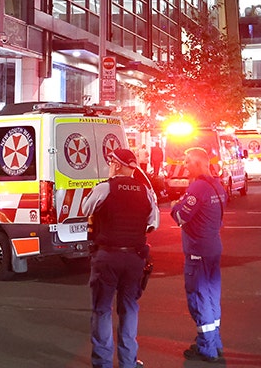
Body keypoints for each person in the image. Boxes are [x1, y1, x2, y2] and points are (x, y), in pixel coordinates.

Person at [80, 147, 159, 368]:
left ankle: (103, 362)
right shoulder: (145, 191)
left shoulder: (105, 188)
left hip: (107, 257)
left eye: (111, 163)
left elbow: (86, 209)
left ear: (116, 165)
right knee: (129, 308)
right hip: (134, 258)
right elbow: (153, 223)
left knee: (102, 309)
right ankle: (128, 362)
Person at [171, 147, 225, 363]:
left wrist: (175, 206)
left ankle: (207, 347)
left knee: (199, 298)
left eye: (187, 161)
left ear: (197, 163)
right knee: (211, 296)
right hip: (213, 247)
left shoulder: (197, 187)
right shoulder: (217, 186)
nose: (184, 165)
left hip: (198, 251)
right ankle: (214, 341)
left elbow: (181, 216)